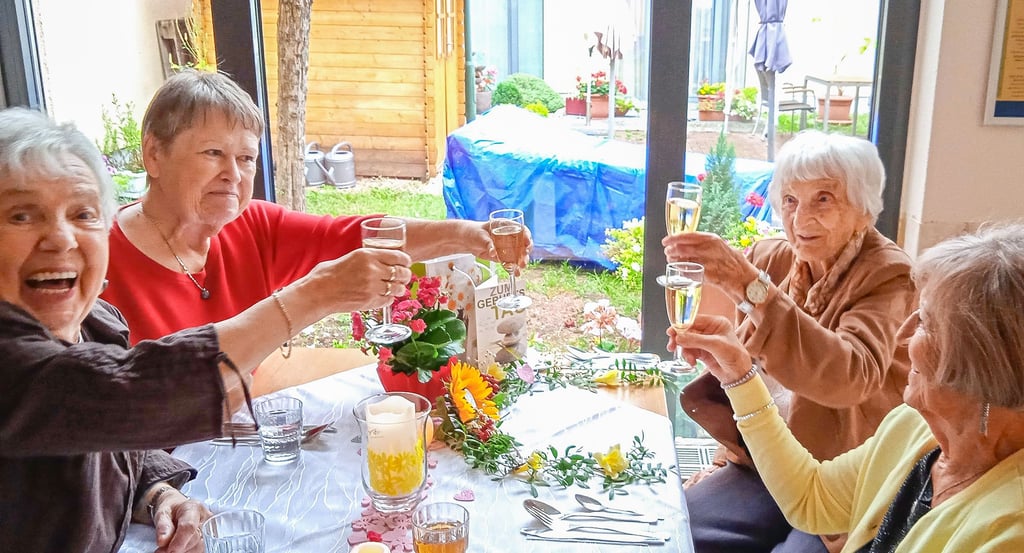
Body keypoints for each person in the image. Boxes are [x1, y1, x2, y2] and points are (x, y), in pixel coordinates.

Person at [0, 108, 407, 551]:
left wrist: (158, 493)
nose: (61, 239)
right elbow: (131, 394)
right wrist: (311, 296)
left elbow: (105, 436)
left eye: (83, 214)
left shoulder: (96, 323)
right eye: (22, 216)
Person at [101, 69, 524, 345]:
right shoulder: (97, 263)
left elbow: (354, 235)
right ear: (153, 155)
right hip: (157, 472)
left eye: (246, 158)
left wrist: (467, 235)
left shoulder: (252, 225)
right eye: (213, 153)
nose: (233, 173)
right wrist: (311, 298)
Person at [672, 223, 1024, 552]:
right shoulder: (912, 427)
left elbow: (849, 374)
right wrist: (739, 376)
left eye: (925, 323)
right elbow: (812, 497)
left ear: (984, 360)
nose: (902, 337)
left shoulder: (1008, 529)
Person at [662, 130, 916, 552]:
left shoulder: (888, 275)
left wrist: (749, 286)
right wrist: (725, 453)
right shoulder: (773, 257)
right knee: (676, 529)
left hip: (838, 476)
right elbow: (748, 375)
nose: (799, 220)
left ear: (863, 208)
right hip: (767, 465)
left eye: (823, 199)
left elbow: (850, 376)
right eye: (791, 200)